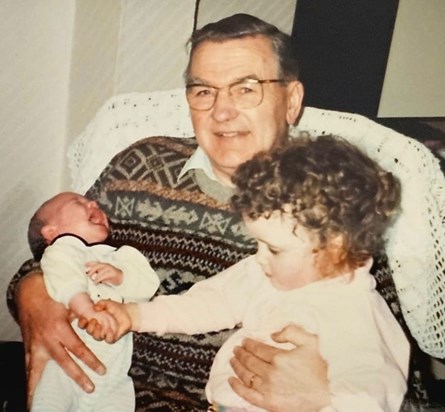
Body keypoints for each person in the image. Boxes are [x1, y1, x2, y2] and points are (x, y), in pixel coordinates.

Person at [6, 13, 433, 412]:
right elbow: (57, 247)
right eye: (203, 90)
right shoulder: (138, 166)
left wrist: (319, 398)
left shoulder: (334, 208)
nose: (221, 110)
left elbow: (408, 390)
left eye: (246, 88)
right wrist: (33, 293)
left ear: (292, 99)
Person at [86, 135, 410, 412]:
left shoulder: (359, 315)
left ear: (335, 248)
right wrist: (135, 315)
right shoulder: (264, 275)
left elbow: (376, 397)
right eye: (258, 244)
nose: (259, 258)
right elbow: (207, 303)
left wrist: (324, 401)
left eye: (275, 249)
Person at [27, 192, 159, 411]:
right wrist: (86, 309)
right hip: (63, 365)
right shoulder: (61, 251)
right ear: (51, 232)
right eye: (78, 202)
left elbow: (148, 286)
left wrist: (121, 277)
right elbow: (67, 281)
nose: (93, 203)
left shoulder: (122, 256)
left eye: (91, 201)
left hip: (112, 373)